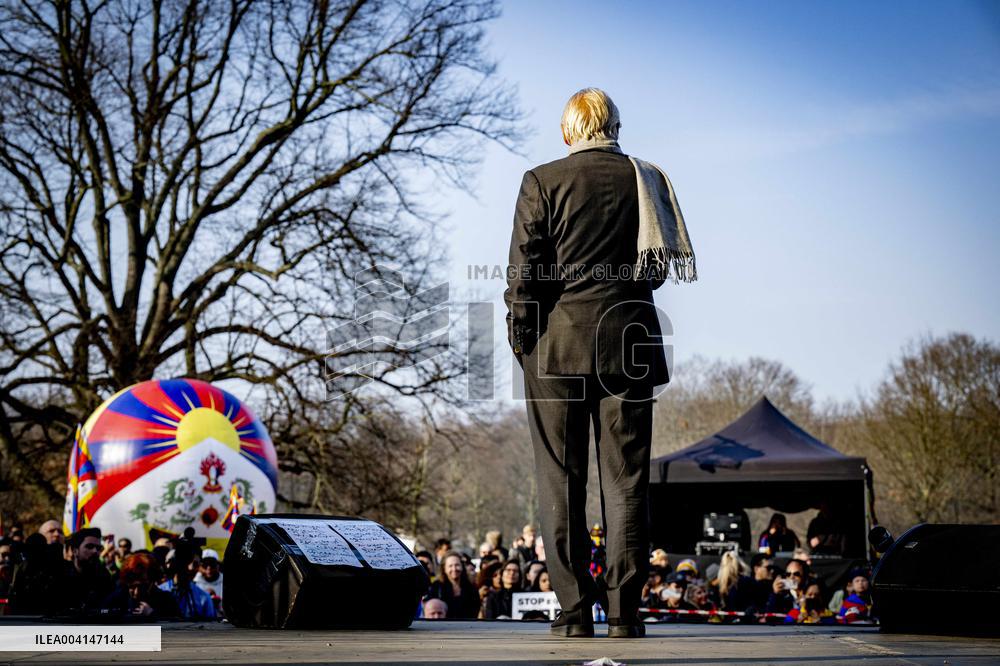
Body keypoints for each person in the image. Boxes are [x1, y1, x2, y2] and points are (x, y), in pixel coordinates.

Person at [505, 87, 690, 639]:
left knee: (560, 481)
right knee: (627, 481)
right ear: (614, 125)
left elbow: (524, 273)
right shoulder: (646, 178)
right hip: (628, 345)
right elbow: (656, 270)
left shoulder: (542, 181)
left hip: (555, 348)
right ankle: (626, 614)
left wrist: (522, 339)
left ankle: (573, 613)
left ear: (568, 132)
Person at [102, 552, 181, 619]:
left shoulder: (166, 601)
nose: (136, 592)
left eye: (143, 587)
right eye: (132, 587)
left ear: (152, 582)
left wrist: (153, 615)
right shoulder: (117, 599)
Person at [59, 527, 114, 615]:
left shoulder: (104, 577)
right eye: (89, 546)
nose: (95, 551)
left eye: (98, 548)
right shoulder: (60, 576)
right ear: (75, 551)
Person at [158, 542, 216, 620]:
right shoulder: (160, 591)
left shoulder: (204, 598)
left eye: (195, 564)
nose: (190, 568)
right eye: (186, 562)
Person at [425, 551, 480, 619]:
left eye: (457, 565)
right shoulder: (436, 587)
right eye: (450, 566)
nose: (454, 569)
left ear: (462, 566)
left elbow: (475, 610)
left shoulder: (471, 587)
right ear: (444, 568)